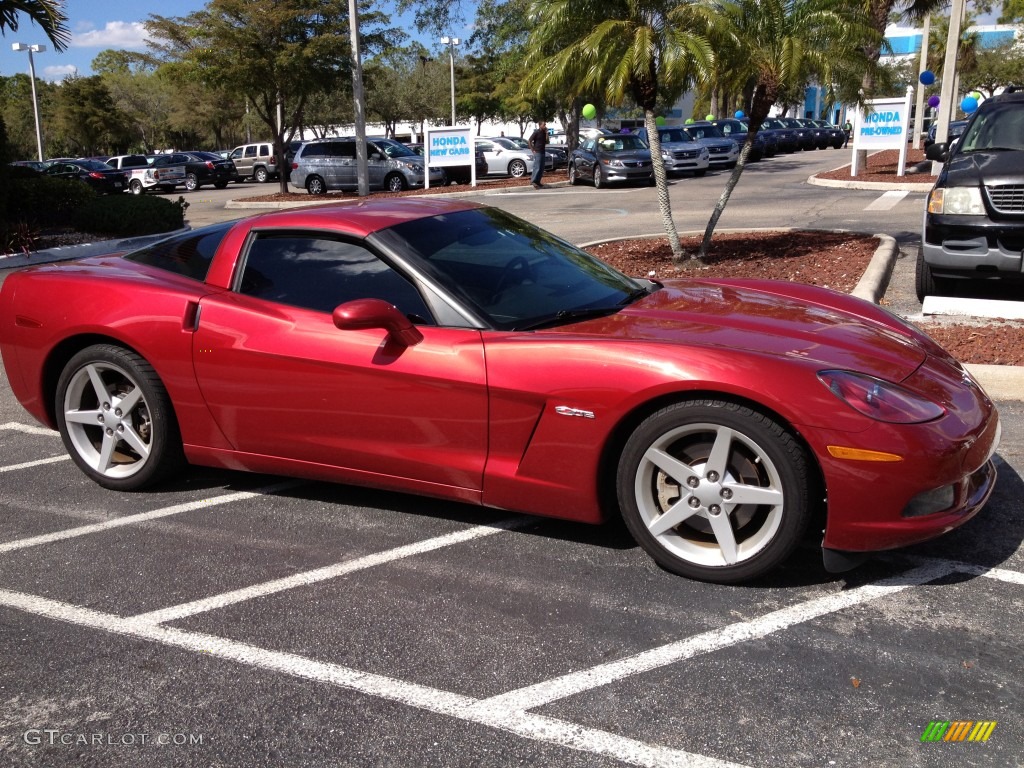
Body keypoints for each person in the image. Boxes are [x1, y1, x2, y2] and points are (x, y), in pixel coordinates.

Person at [528, 120, 547, 189]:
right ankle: (533, 180)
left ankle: (538, 181)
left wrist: (547, 133)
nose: (545, 126)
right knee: (537, 167)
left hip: (543, 151)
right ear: (540, 125)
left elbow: (547, 141)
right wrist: (532, 150)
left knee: (541, 168)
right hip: (537, 151)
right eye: (544, 125)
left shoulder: (544, 133)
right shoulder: (536, 132)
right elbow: (529, 140)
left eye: (545, 125)